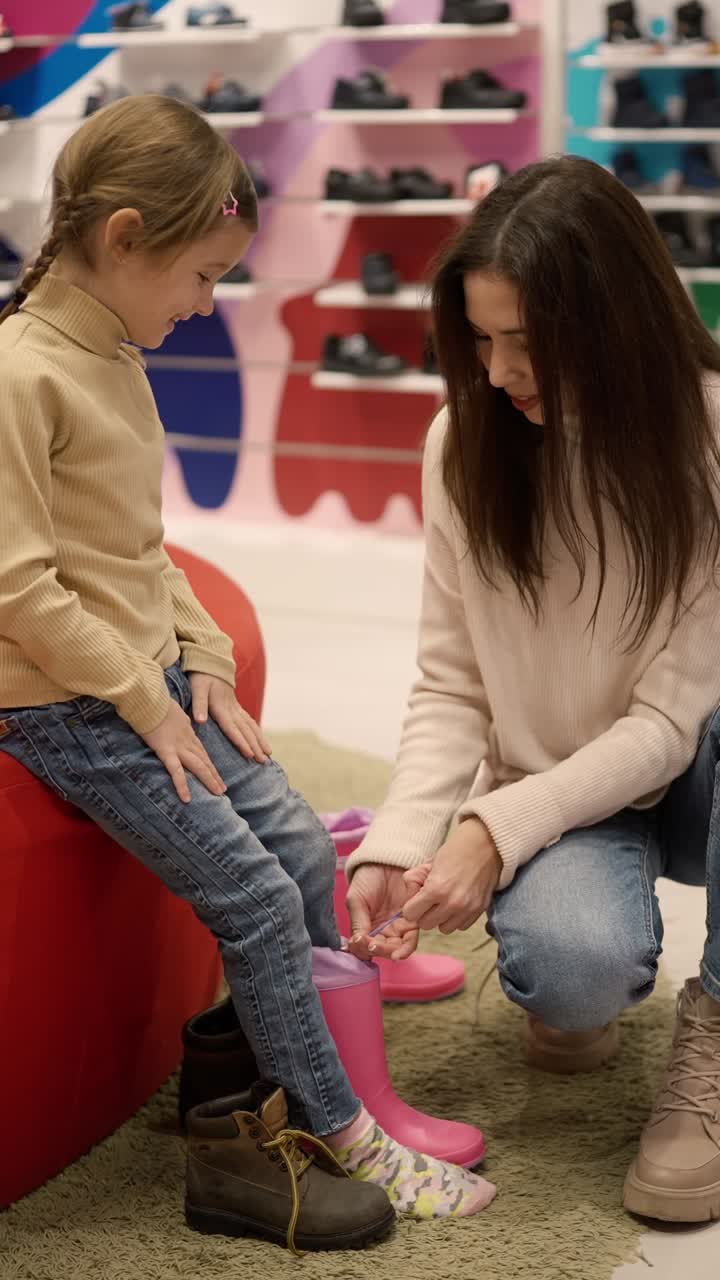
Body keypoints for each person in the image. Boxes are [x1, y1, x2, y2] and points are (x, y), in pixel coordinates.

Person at [0, 94, 495, 1252]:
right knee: (259, 899)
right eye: (203, 276)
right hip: (66, 706)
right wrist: (146, 696)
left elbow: (140, 547)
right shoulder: (22, 375)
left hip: (141, 680)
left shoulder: (115, 354)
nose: (207, 304)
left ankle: (296, 1064)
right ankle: (341, 1127)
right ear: (124, 237)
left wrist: (204, 659)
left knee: (302, 843)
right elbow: (17, 586)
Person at [346, 153, 720, 1226]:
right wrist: (400, 842)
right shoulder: (463, 443)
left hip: (696, 773)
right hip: (565, 788)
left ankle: (717, 1023)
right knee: (573, 969)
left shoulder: (707, 433)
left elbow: (668, 721)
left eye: (527, 339)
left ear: (615, 321)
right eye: (481, 338)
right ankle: (575, 978)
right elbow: (450, 680)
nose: (501, 370)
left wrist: (490, 832)